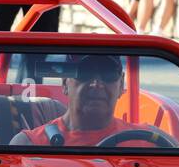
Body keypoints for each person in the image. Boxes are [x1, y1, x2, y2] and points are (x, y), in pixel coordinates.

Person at [10, 55, 167, 147]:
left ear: (121, 85)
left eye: (108, 73)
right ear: (65, 83)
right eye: (85, 73)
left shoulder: (151, 141)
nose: (96, 84)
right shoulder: (30, 145)